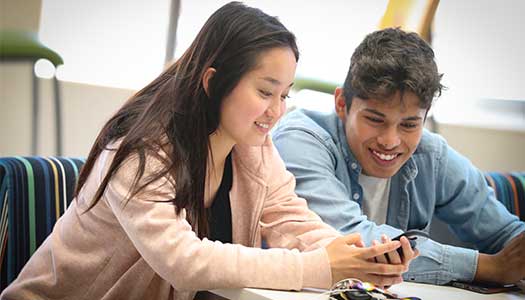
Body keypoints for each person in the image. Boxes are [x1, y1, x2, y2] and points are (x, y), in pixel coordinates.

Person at [1, 4, 419, 300]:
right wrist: (321, 267)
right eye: (265, 92)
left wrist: (358, 261)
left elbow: (291, 219)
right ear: (213, 81)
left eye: (285, 95)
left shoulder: (253, 146)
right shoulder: (139, 150)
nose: (277, 111)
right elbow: (182, 260)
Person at [273, 28, 525, 286]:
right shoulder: (301, 139)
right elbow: (349, 240)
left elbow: (507, 234)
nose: (390, 141)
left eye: (409, 125)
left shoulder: (432, 154)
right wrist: (488, 267)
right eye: (374, 119)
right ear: (341, 104)